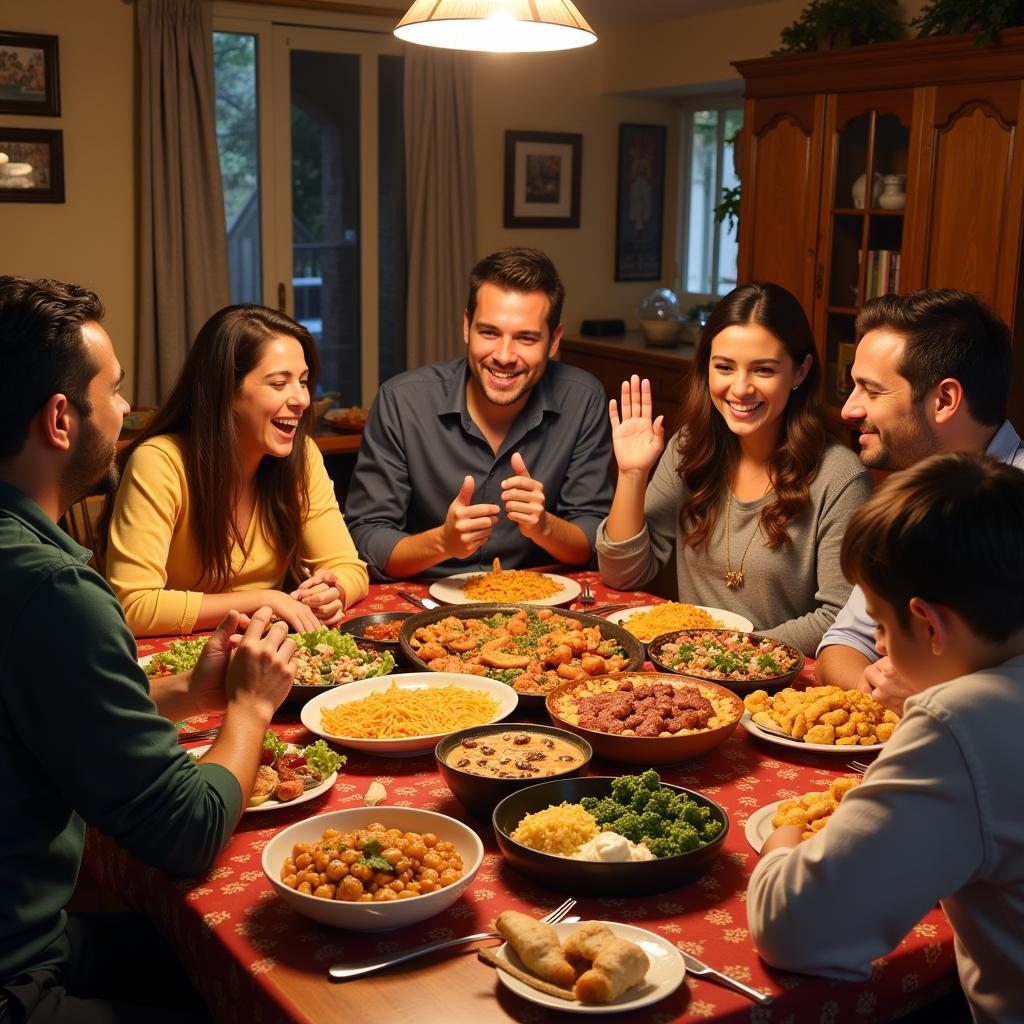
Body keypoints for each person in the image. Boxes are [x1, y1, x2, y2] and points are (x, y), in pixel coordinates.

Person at [0, 276, 298, 1021]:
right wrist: (249, 709)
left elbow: (44, 710)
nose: (129, 408)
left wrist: (184, 695)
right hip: (14, 975)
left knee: (175, 948)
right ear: (62, 418)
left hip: (29, 930)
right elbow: (187, 830)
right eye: (116, 389)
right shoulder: (51, 589)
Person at [748, 452, 1024, 1024]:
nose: (876, 642)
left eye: (877, 625)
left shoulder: (963, 721)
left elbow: (795, 928)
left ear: (929, 624)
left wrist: (783, 841)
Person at [596, 282, 871, 656]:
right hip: (689, 667)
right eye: (724, 367)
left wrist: (726, 654)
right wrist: (631, 474)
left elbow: (838, 618)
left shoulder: (840, 476)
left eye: (763, 370)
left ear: (800, 371)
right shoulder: (688, 448)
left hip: (775, 680)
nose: (740, 388)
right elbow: (621, 575)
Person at [344, 247, 613, 580]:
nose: (503, 355)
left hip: (542, 604)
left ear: (554, 341)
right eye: (489, 333)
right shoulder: (401, 402)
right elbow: (367, 537)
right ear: (466, 327)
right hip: (423, 601)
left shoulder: (582, 399)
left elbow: (594, 538)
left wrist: (544, 526)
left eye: (526, 338)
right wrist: (443, 542)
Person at [815, 288, 1024, 711]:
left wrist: (940, 696)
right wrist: (871, 683)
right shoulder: (908, 501)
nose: (848, 410)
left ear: (945, 400)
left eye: (871, 391)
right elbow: (842, 642)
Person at [104, 304, 369, 637]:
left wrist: (334, 591)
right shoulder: (160, 461)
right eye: (278, 383)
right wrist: (266, 600)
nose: (301, 399)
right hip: (175, 663)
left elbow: (351, 568)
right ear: (226, 390)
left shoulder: (300, 456)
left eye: (303, 382)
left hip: (266, 651)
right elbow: (131, 606)